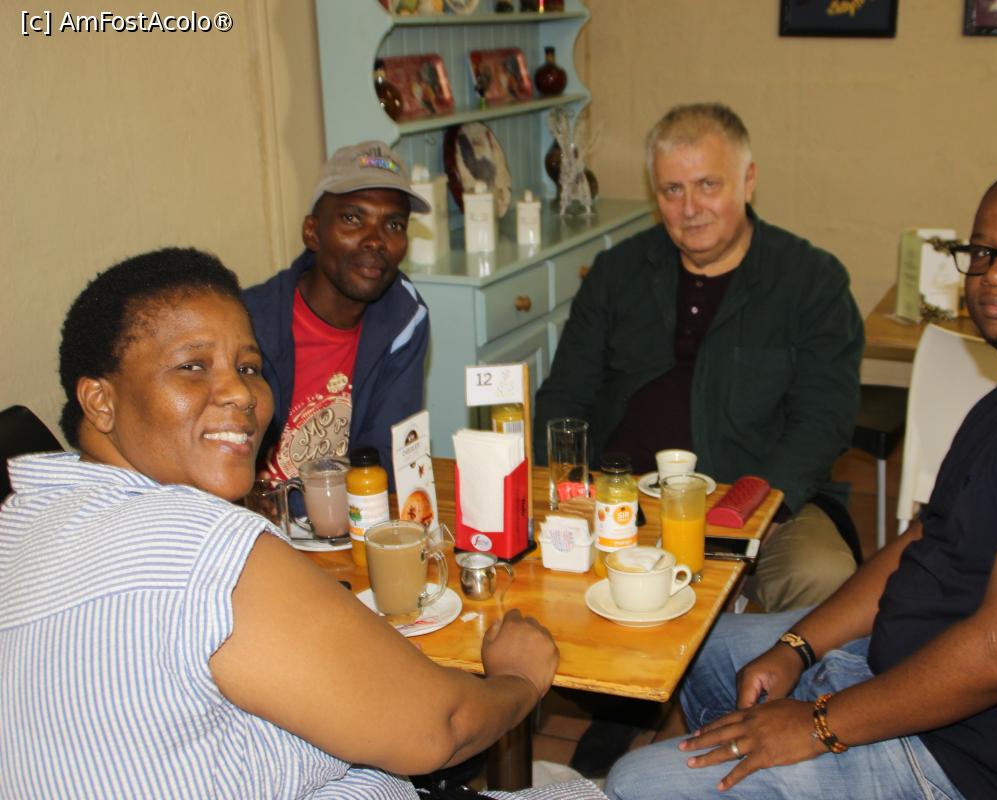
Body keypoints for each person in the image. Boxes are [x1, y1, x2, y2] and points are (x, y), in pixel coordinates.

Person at [605, 164, 997, 799]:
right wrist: (797, 646)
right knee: (700, 644)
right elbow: (923, 541)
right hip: (893, 668)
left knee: (637, 784)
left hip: (961, 764)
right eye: (983, 252)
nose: (995, 273)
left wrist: (819, 725)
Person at [0, 247, 604, 799]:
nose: (240, 394)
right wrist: (519, 679)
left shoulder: (23, 520)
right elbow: (440, 728)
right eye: (192, 367)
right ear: (99, 400)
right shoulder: (198, 543)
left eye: (249, 367)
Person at [534, 103, 864, 613]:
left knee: (821, 575)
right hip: (622, 501)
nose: (690, 208)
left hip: (764, 501)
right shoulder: (617, 272)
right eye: (673, 190)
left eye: (708, 185)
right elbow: (564, 395)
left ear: (748, 181)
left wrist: (756, 511)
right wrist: (572, 489)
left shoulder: (811, 281)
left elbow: (822, 420)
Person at [244, 140, 431, 491]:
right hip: (258, 515)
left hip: (351, 511)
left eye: (394, 225)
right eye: (352, 218)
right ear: (312, 232)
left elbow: (391, 454)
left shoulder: (405, 318)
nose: (375, 240)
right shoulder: (248, 322)